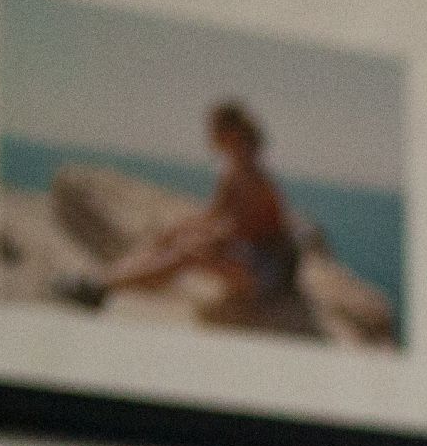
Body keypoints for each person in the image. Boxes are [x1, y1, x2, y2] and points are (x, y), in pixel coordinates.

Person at [85, 99, 308, 325]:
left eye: (215, 128)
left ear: (231, 132)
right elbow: (214, 215)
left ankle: (101, 286)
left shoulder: (253, 176)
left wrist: (206, 239)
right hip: (249, 255)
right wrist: (178, 231)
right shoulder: (234, 171)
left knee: (186, 254)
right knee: (173, 240)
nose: (211, 134)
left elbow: (246, 230)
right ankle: (103, 280)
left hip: (268, 269)